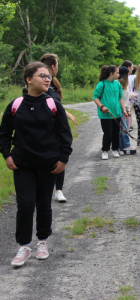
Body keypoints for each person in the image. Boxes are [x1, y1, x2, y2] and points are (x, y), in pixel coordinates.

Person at [0, 61, 72, 266]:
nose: (48, 79)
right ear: (29, 79)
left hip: (48, 164)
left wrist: (63, 160)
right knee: (24, 204)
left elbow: (65, 135)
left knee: (43, 204)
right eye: (42, 75)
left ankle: (42, 241)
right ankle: (23, 246)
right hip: (22, 164)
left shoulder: (52, 104)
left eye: (49, 76)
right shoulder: (15, 105)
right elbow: (4, 134)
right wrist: (7, 155)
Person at [41, 53, 76, 203]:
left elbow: (57, 104)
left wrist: (66, 114)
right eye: (57, 66)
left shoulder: (53, 83)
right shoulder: (40, 83)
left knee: (60, 156)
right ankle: (44, 189)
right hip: (44, 129)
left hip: (58, 128)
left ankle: (59, 190)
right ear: (53, 66)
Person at [93, 65, 127, 160]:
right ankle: (105, 150)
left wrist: (124, 110)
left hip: (116, 113)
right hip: (105, 114)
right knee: (108, 133)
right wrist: (101, 106)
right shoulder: (102, 84)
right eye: (117, 72)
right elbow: (95, 97)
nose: (119, 74)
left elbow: (120, 98)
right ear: (111, 73)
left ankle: (115, 149)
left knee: (116, 132)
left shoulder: (118, 84)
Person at [118, 66, 137, 154]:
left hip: (125, 108)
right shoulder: (118, 84)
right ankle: (121, 146)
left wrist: (128, 110)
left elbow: (126, 99)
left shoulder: (125, 84)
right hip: (120, 109)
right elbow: (120, 98)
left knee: (124, 127)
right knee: (122, 128)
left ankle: (124, 145)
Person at [128, 64, 137, 132]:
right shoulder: (137, 77)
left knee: (129, 111)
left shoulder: (127, 77)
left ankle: (130, 125)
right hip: (135, 96)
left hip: (130, 97)